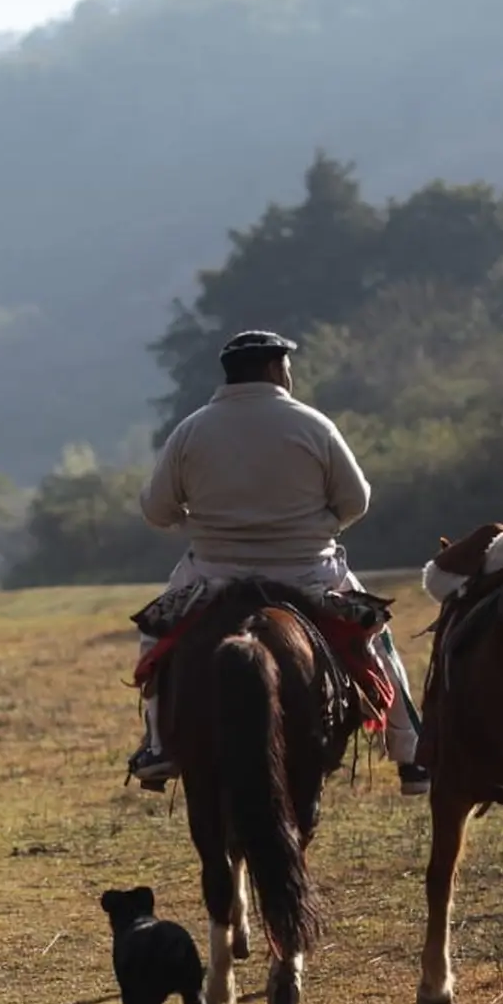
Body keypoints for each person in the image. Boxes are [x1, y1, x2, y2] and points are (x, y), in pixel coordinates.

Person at [129, 330, 429, 795]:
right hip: (308, 572)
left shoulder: (191, 430)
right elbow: (356, 500)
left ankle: (158, 745)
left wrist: (197, 523)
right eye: (287, 366)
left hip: (213, 572)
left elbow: (156, 511)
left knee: (154, 634)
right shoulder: (313, 424)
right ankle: (410, 754)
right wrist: (318, 525)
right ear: (274, 369)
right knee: (377, 637)